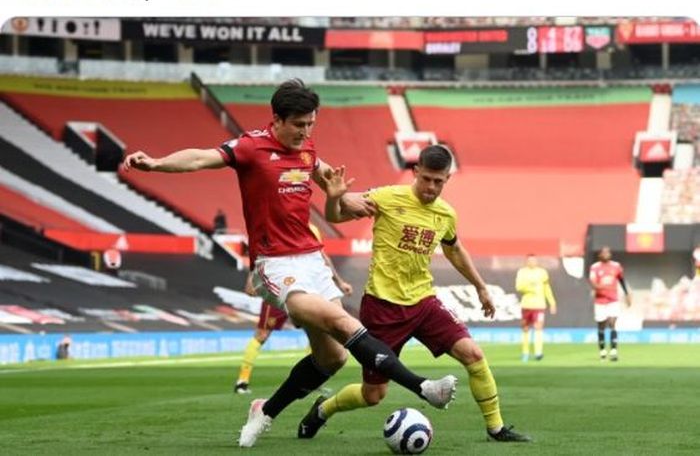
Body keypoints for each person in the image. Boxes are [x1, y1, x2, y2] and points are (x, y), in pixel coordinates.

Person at [122, 79, 457, 448]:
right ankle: (424, 387)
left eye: (311, 124)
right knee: (341, 321)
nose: (306, 132)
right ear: (277, 120)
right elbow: (200, 157)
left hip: (312, 259)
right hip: (275, 264)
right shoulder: (251, 146)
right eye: (299, 125)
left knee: (332, 358)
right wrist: (155, 163)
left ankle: (263, 411)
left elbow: (330, 179)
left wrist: (347, 199)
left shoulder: (307, 149)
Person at [298, 145, 531, 443]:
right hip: (382, 307)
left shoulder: (446, 214)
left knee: (473, 354)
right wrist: (333, 198)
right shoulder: (386, 197)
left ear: (447, 179)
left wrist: (481, 286)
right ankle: (323, 410)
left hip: (423, 302)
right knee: (373, 395)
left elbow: (454, 249)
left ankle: (496, 428)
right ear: (415, 172)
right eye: (427, 179)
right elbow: (337, 216)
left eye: (439, 181)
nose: (432, 187)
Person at [235, 223, 354, 394]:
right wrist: (251, 278)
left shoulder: (312, 229)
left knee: (317, 333)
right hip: (278, 288)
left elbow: (322, 256)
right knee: (262, 334)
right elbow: (261, 253)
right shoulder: (273, 225)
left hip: (305, 289)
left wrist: (339, 282)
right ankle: (242, 381)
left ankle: (315, 379)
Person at [589, 246, 631, 361]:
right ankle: (602, 350)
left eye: (608, 252)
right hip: (600, 301)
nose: (606, 254)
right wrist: (599, 287)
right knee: (601, 325)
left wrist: (627, 294)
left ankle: (613, 351)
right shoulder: (595, 267)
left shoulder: (616, 266)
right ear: (600, 255)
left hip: (613, 300)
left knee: (612, 323)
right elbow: (592, 282)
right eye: (604, 252)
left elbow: (621, 280)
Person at [515, 254, 557, 362]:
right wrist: (530, 287)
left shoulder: (542, 273)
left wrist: (552, 302)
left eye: (534, 260)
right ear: (526, 262)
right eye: (530, 261)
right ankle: (525, 352)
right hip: (526, 304)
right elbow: (518, 287)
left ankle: (538, 352)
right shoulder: (522, 272)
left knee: (538, 327)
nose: (532, 262)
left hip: (539, 305)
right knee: (525, 328)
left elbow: (547, 288)